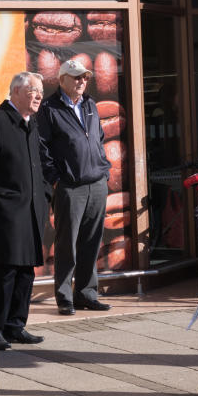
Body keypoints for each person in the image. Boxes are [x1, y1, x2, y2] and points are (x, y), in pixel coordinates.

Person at [0, 72, 57, 351]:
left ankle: (16, 326)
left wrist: (46, 193)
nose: (39, 96)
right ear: (15, 92)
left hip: (31, 209)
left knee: (27, 270)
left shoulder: (31, 123)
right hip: (7, 209)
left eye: (40, 90)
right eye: (33, 91)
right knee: (6, 270)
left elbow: (40, 163)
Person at [37, 58, 112, 315]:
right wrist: (56, 178)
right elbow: (42, 147)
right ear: (62, 80)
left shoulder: (90, 104)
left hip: (96, 182)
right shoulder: (49, 108)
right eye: (77, 77)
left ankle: (86, 293)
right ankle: (64, 297)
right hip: (70, 186)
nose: (82, 81)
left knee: (92, 242)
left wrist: (104, 170)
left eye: (85, 77)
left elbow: (98, 139)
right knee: (67, 243)